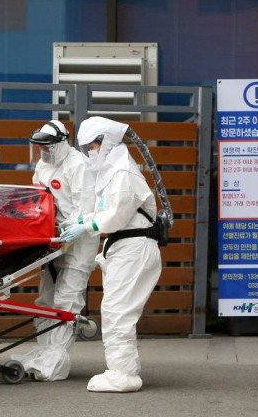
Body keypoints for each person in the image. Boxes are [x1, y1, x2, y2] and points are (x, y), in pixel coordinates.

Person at [60, 116, 162, 393]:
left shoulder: (123, 174)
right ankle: (122, 370)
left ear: (105, 143)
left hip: (133, 249)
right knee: (115, 310)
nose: (89, 153)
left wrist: (85, 226)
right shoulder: (113, 172)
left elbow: (115, 216)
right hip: (125, 248)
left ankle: (123, 374)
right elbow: (107, 210)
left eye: (91, 147)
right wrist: (82, 221)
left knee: (117, 313)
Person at [12, 121, 99, 381]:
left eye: (48, 147)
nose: (44, 152)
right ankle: (44, 351)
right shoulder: (42, 165)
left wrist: (73, 228)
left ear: (62, 143)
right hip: (52, 238)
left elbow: (87, 207)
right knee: (46, 299)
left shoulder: (78, 165)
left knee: (67, 300)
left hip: (79, 240)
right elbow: (39, 200)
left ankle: (55, 361)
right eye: (40, 148)